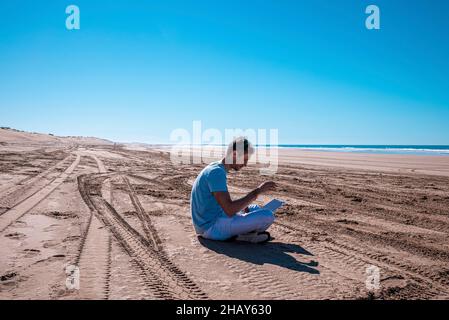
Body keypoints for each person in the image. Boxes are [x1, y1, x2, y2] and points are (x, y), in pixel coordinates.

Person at [190, 137, 277, 243]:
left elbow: (221, 204)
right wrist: (257, 191)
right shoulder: (216, 172)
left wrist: (244, 208)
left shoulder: (217, 167)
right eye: (244, 160)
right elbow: (230, 210)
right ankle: (243, 235)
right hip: (210, 227)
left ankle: (242, 235)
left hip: (213, 218)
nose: (245, 164)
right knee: (267, 216)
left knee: (254, 208)